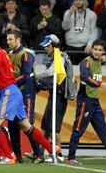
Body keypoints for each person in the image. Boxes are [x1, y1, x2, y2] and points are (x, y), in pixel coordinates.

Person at [0, 31, 59, 164]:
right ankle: (51, 148)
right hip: (13, 92)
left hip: (9, 91)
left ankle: (9, 157)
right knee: (26, 126)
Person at [67, 40, 106, 165]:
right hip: (85, 101)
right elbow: (85, 78)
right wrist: (100, 84)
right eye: (95, 49)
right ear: (91, 49)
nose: (97, 52)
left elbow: (101, 61)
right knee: (78, 129)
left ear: (103, 51)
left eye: (100, 50)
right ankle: (71, 157)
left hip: (94, 101)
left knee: (103, 129)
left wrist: (103, 60)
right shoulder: (86, 62)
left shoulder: (99, 60)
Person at [6, 30, 43, 163]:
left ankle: (39, 155)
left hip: (26, 92)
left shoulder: (27, 54)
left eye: (11, 39)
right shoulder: (9, 54)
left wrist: (9, 83)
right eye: (7, 39)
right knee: (12, 125)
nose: (8, 42)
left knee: (27, 124)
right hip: (14, 93)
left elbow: (26, 76)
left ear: (18, 39)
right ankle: (18, 157)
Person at [38, 34, 73, 162]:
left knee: (55, 128)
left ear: (54, 46)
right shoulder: (53, 57)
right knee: (45, 126)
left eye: (47, 46)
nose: (45, 48)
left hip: (59, 96)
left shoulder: (61, 58)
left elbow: (52, 72)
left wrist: (37, 76)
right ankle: (40, 154)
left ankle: (59, 155)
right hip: (52, 95)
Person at [62, 0, 99, 64]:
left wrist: (90, 45)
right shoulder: (68, 12)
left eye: (80, 0)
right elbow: (64, 27)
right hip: (70, 47)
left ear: (84, 1)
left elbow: (94, 32)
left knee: (84, 72)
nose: (78, 2)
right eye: (76, 0)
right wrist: (69, 14)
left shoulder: (91, 14)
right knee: (70, 72)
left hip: (85, 48)